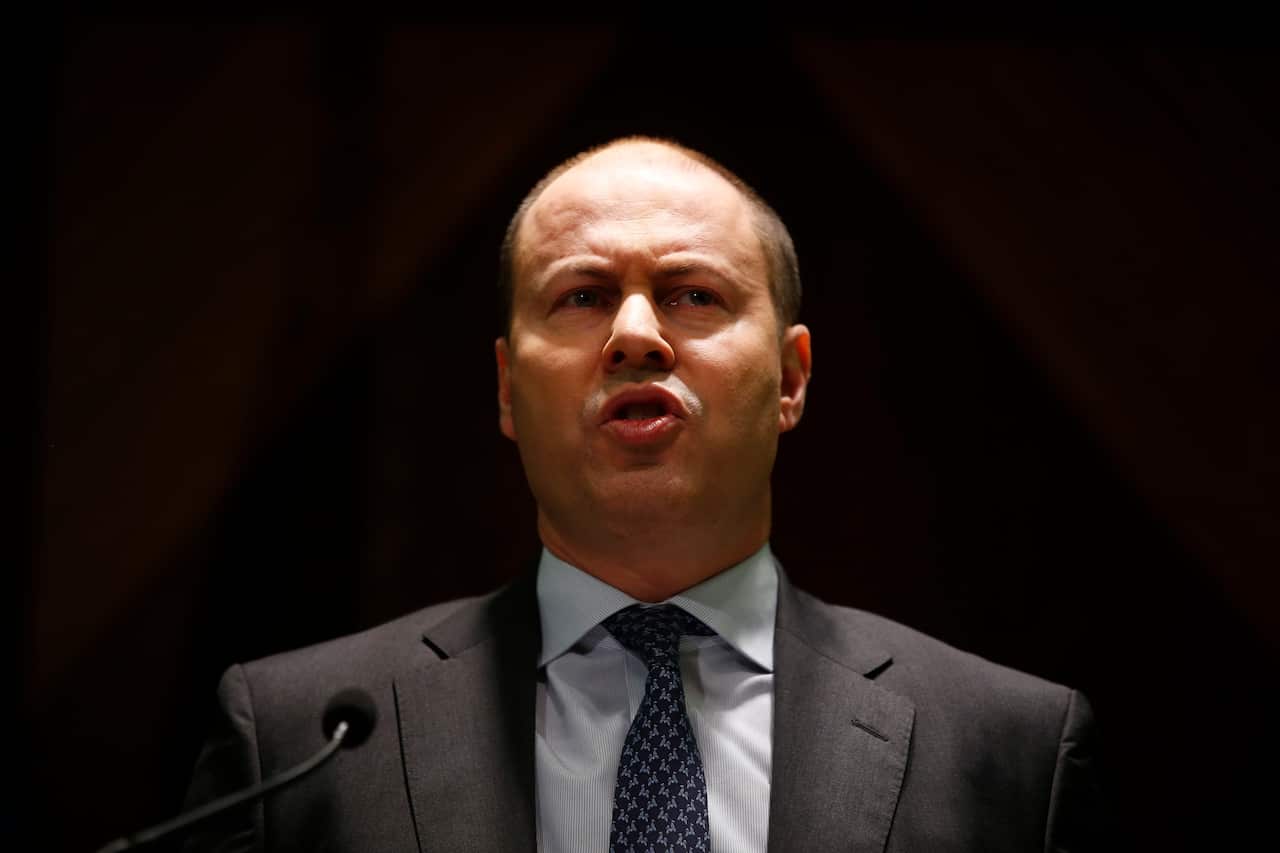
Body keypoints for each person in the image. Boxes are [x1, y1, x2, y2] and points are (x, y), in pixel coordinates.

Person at [182, 137, 1103, 852]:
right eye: (581, 296)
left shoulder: (1006, 747)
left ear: (791, 378)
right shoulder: (302, 743)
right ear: (506, 388)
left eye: (693, 294)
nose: (635, 335)